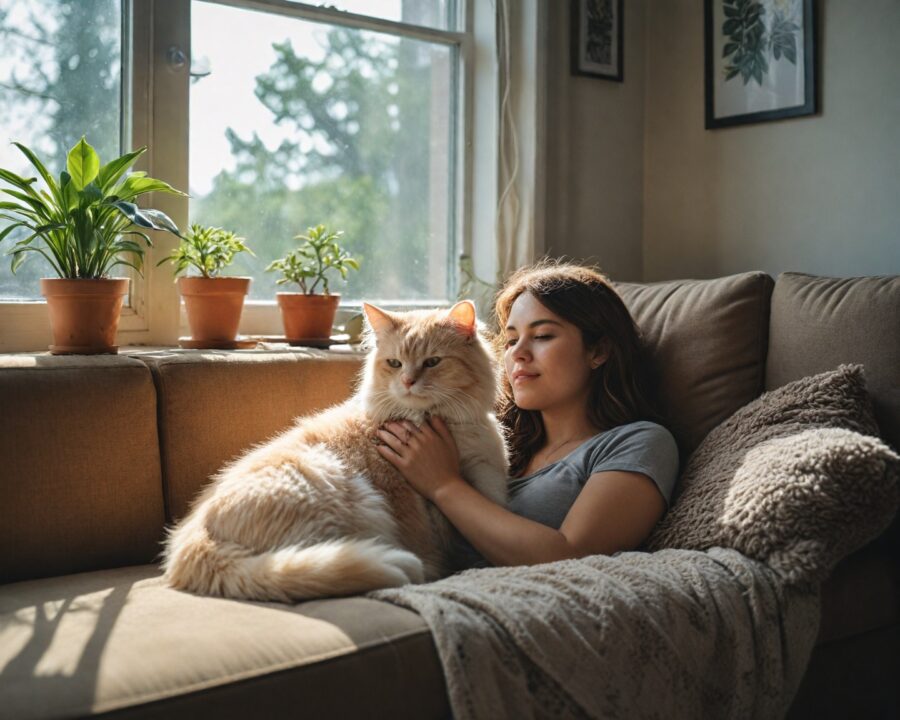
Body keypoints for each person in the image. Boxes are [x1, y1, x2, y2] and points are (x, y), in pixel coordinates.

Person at [375, 261, 679, 567]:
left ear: (598, 351)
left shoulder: (640, 443)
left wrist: (444, 485)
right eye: (510, 340)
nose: (517, 353)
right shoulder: (489, 436)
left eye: (543, 336)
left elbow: (571, 555)